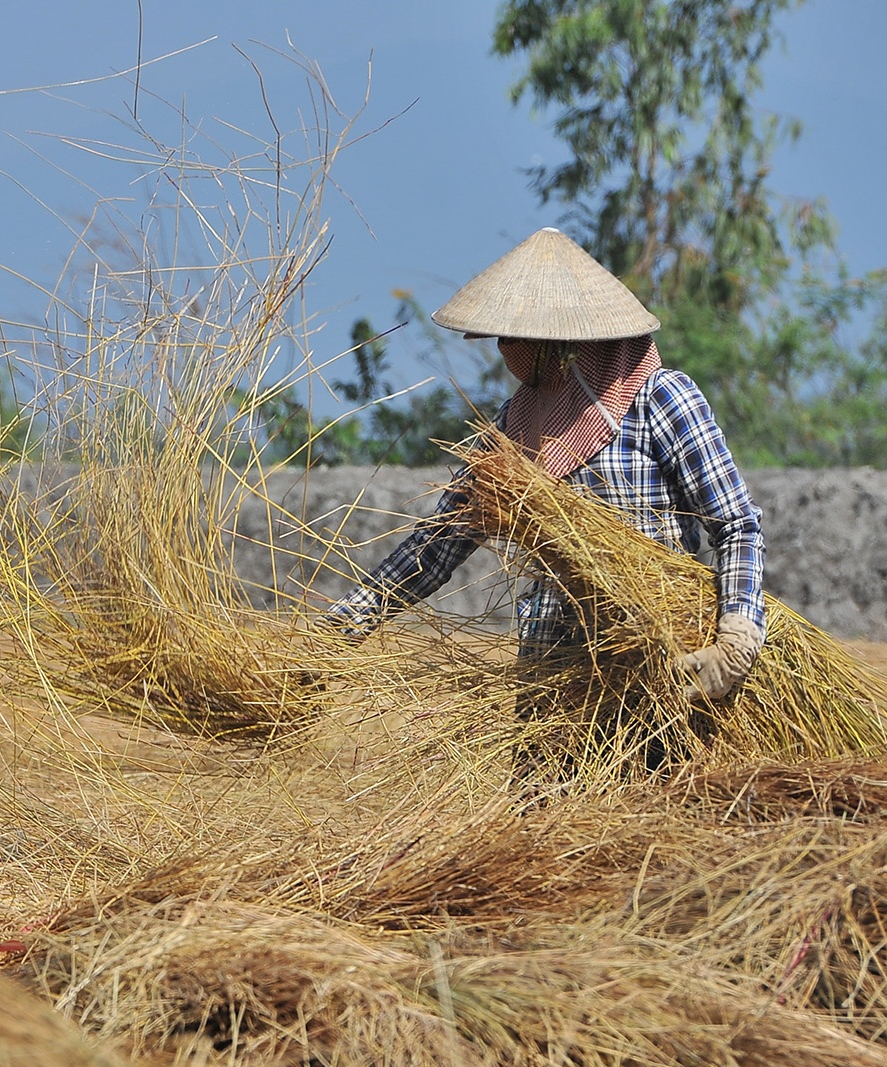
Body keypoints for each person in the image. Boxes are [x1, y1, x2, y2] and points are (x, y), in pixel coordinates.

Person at [322, 228, 767, 711]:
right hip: (554, 670)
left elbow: (736, 524)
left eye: (518, 338)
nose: (504, 350)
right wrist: (345, 627)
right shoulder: (513, 430)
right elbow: (436, 546)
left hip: (665, 663)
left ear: (564, 343)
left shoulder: (659, 399)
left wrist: (737, 635)